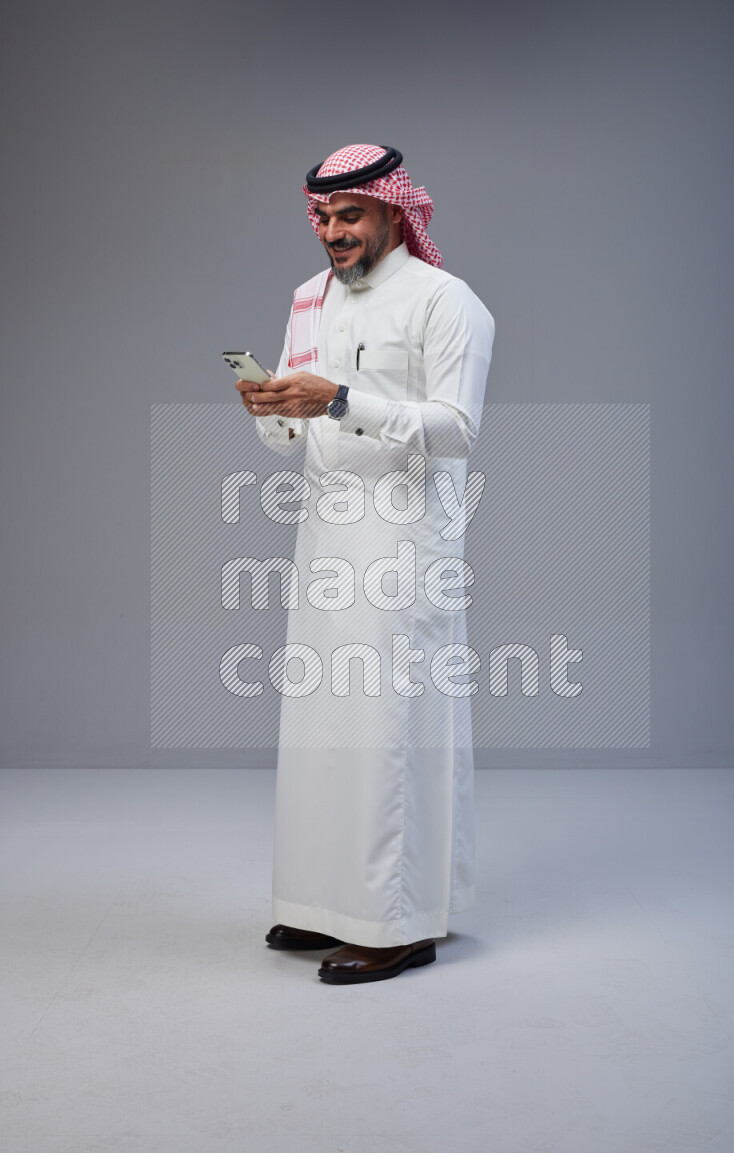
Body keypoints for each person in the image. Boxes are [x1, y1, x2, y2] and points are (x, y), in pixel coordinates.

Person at [235, 144, 494, 984]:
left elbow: (458, 427)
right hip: (324, 542)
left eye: (350, 214)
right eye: (323, 217)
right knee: (321, 726)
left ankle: (399, 922)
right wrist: (271, 406)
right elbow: (290, 438)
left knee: (389, 728)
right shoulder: (308, 299)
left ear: (392, 211)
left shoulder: (446, 301)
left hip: (404, 545)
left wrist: (339, 398)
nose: (334, 232)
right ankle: (323, 906)